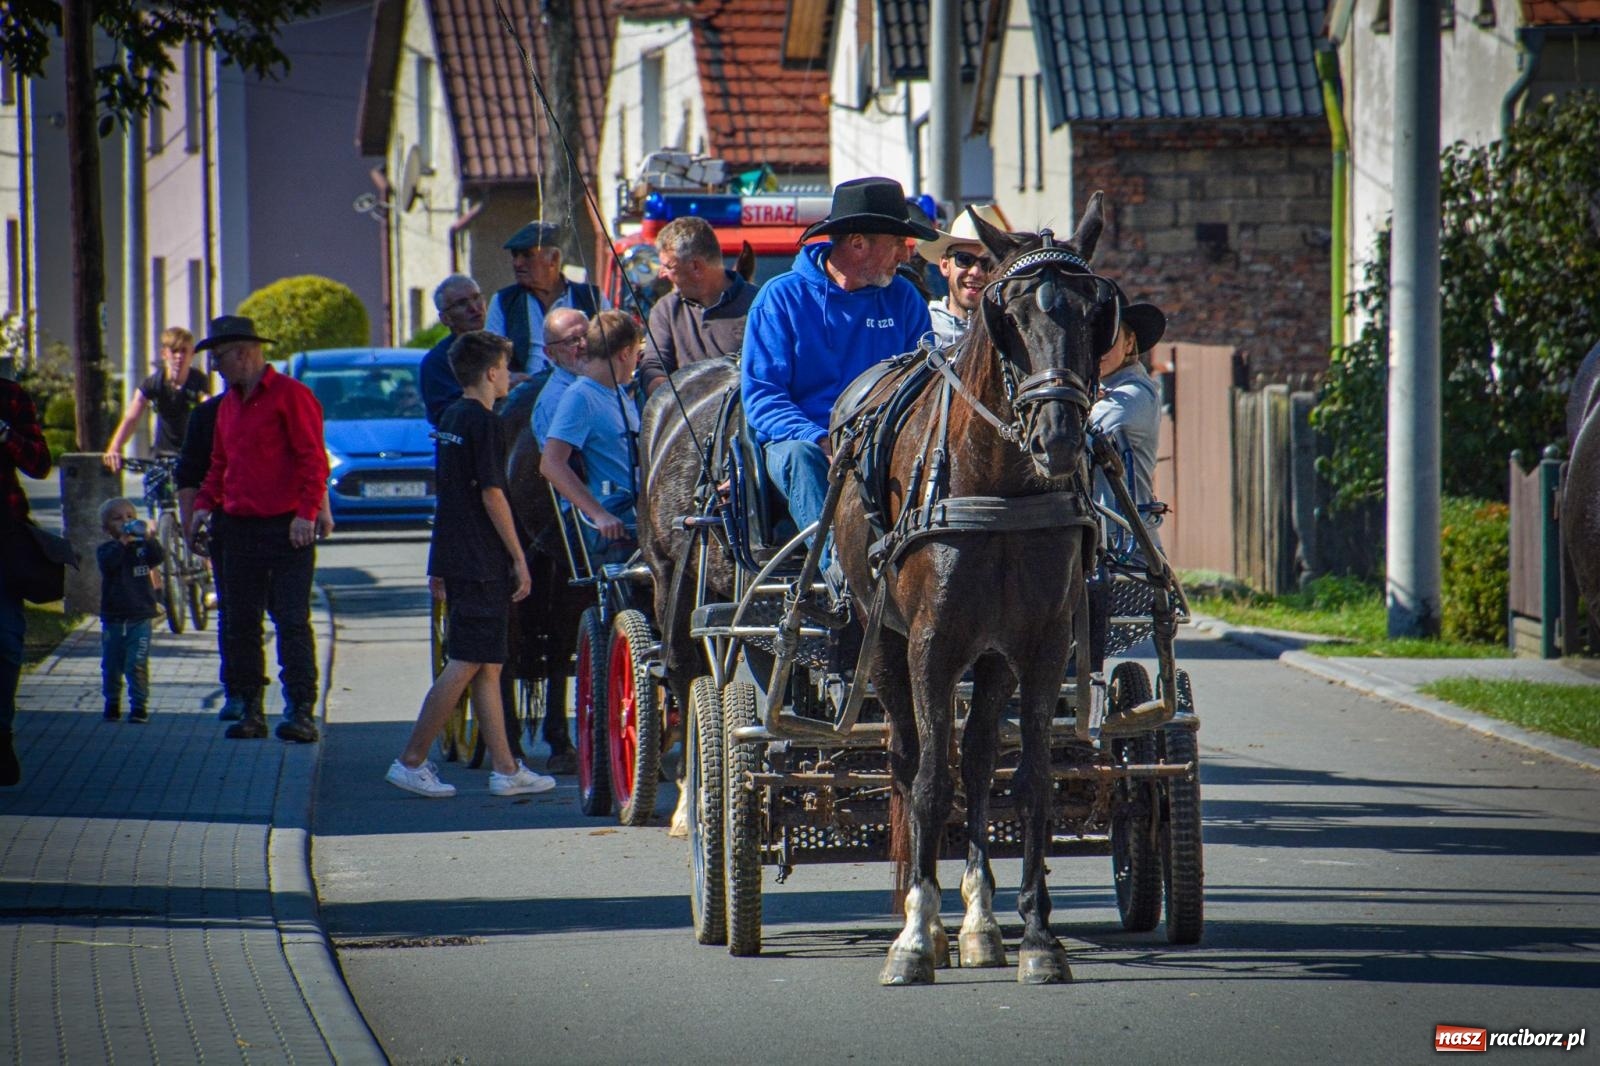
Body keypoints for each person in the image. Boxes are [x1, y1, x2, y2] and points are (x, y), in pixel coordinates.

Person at [386, 331, 556, 798]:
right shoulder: (485, 422)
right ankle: (411, 759)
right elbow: (491, 493)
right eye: (504, 367)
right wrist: (519, 556)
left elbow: (449, 495)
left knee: (488, 665)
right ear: (491, 373)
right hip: (481, 558)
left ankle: (505, 767)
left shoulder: (449, 418)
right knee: (465, 661)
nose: (508, 375)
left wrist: (436, 560)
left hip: (458, 553)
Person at [741, 176, 935, 536]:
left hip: (884, 443)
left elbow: (924, 387)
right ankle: (839, 576)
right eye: (898, 242)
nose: (906, 255)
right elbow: (764, 397)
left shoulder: (905, 299)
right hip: (803, 446)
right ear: (858, 243)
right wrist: (820, 439)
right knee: (802, 458)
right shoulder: (780, 299)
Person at [191, 315, 329, 744]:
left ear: (243, 353)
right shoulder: (228, 404)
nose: (214, 366)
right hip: (238, 527)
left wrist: (307, 514)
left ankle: (301, 710)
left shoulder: (292, 396)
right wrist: (201, 506)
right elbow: (220, 463)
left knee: (291, 619)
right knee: (241, 622)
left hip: (287, 527)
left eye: (218, 357)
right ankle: (250, 708)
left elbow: (312, 460)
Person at [1087, 295, 1167, 673]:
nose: (1096, 347)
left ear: (1130, 342)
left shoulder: (1135, 393)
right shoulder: (1089, 390)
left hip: (1122, 552)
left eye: (1107, 337)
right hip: (1081, 544)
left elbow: (1075, 435)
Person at [540, 311, 643, 561]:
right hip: (615, 524)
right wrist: (599, 515)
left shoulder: (618, 392)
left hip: (637, 511)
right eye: (638, 354)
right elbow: (551, 464)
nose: (637, 363)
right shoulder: (581, 397)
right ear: (625, 352)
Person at [638, 215, 756, 395]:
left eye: (669, 266)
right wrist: (671, 398)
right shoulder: (666, 310)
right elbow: (654, 366)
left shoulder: (759, 306)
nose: (662, 275)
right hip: (684, 419)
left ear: (696, 267)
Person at [0, 377, 51, 787]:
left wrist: (4, 433)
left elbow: (39, 463)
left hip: (4, 535)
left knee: (6, 638)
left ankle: (1, 735)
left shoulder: (11, 396)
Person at [484, 220, 607, 378]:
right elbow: (490, 361)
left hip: (579, 386)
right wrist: (511, 378)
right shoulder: (504, 301)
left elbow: (609, 349)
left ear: (554, 259)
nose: (517, 263)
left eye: (527, 255)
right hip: (525, 395)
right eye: (515, 255)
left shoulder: (592, 297)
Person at [102, 326, 211, 471]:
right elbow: (131, 417)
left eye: (184, 351)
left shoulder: (198, 381)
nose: (179, 357)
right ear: (164, 354)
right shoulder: (154, 382)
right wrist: (114, 447)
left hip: (191, 456)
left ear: (192, 354)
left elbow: (209, 409)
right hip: (161, 457)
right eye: (174, 351)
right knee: (156, 489)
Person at [96, 498, 164, 724]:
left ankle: (139, 705)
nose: (126, 522)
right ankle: (112, 702)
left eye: (130, 517)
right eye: (118, 519)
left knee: (136, 662)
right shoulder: (108, 550)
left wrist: (149, 537)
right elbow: (109, 564)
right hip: (114, 617)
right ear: (107, 528)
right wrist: (122, 542)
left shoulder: (142, 549)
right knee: (112, 664)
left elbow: (158, 557)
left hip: (140, 616)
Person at [915, 204, 1010, 349]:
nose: (975, 272)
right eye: (964, 259)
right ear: (945, 265)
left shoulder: (1012, 333)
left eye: (988, 263)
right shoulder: (921, 326)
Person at [420, 274, 486, 427]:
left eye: (477, 298)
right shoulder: (438, 362)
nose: (474, 308)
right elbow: (450, 416)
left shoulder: (503, 346)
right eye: (462, 303)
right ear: (445, 318)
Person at [529, 307, 591, 446]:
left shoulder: (607, 381)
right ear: (550, 353)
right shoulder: (554, 402)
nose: (584, 344)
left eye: (588, 335)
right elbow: (556, 464)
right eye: (572, 340)